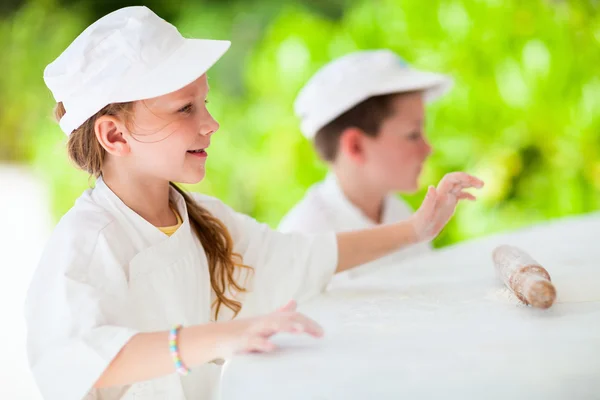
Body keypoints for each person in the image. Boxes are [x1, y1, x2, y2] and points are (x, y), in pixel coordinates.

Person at [24, 6, 483, 400]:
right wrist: (224, 336)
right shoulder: (86, 242)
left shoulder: (207, 220)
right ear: (115, 135)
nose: (211, 123)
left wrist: (414, 231)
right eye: (186, 108)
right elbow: (80, 357)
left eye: (204, 103)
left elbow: (305, 257)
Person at [279, 49, 456, 275]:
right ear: (355, 146)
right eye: (412, 134)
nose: (427, 148)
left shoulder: (398, 212)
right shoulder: (304, 237)